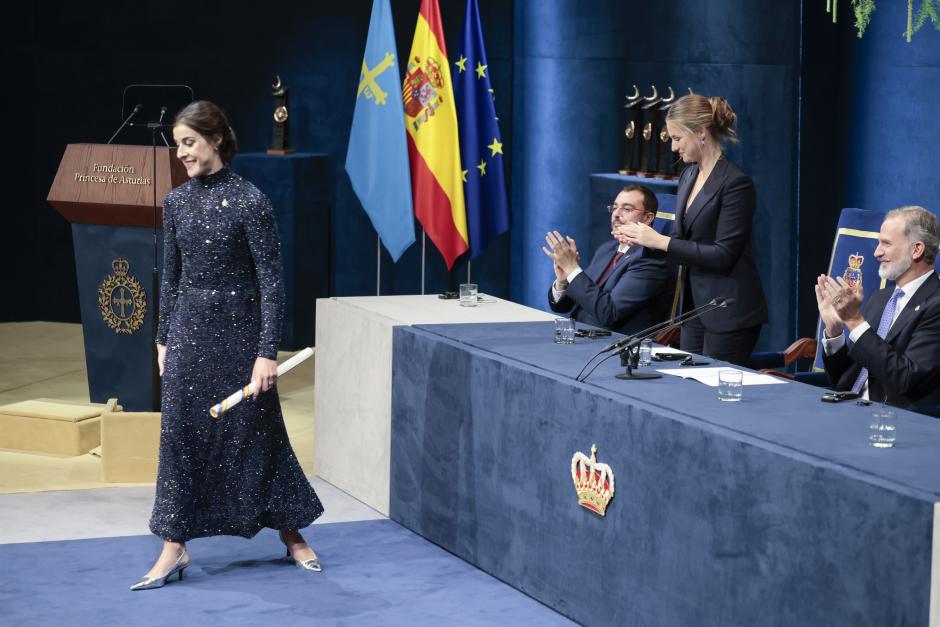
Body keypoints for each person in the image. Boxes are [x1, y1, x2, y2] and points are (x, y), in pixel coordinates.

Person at [131, 101, 324, 591]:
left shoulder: (251, 201)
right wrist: (161, 340)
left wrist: (267, 352)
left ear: (216, 139)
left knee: (258, 434)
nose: (182, 155)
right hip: (188, 336)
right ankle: (174, 546)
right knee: (180, 438)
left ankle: (291, 533)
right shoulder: (176, 203)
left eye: (189, 143)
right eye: (177, 145)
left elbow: (272, 283)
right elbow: (170, 279)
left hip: (240, 336)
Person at [617, 94, 767, 366]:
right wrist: (642, 238)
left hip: (727, 310)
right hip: (693, 309)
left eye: (677, 138)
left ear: (700, 132)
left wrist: (660, 241)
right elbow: (681, 241)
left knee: (713, 399)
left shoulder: (735, 183)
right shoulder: (688, 175)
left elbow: (723, 255)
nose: (673, 148)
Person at [816, 206, 940, 412]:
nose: (876, 252)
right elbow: (843, 383)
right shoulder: (879, 299)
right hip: (848, 411)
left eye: (886, 244)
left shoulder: (935, 305)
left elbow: (905, 378)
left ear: (917, 249)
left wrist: (855, 321)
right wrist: (834, 331)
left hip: (895, 423)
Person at [543, 185, 671, 335]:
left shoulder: (650, 260)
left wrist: (573, 269)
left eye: (627, 209)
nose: (616, 214)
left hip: (615, 347)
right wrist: (564, 280)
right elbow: (563, 306)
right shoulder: (607, 249)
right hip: (578, 336)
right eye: (615, 207)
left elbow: (609, 314)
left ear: (648, 218)